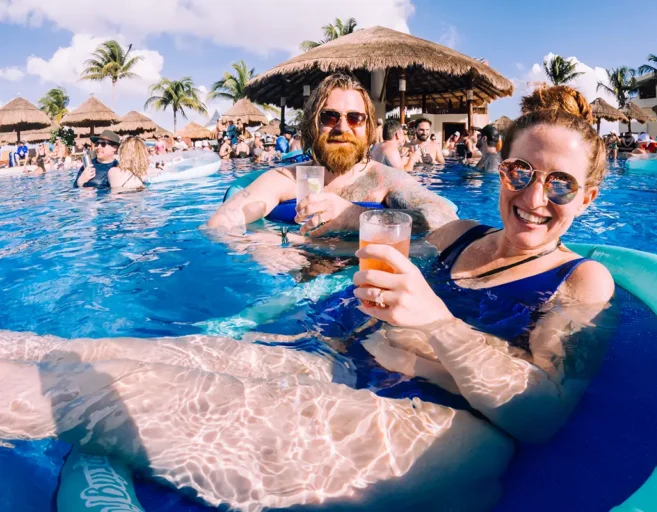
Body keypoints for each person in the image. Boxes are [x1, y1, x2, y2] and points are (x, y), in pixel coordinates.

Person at [0, 84, 613, 512]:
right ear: (504, 169)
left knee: (112, 392)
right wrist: (325, 237)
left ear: (587, 195)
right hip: (338, 363)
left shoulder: (582, 282)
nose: (535, 196)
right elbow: (376, 248)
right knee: (87, 354)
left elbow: (543, 415)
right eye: (521, 173)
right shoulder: (457, 238)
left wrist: (437, 322)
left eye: (560, 182)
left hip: (433, 426)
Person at [207, 73, 457, 236]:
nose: (342, 127)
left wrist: (354, 217)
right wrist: (261, 246)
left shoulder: (385, 180)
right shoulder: (289, 179)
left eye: (355, 118)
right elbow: (218, 225)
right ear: (312, 124)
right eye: (329, 116)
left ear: (368, 128)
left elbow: (444, 217)